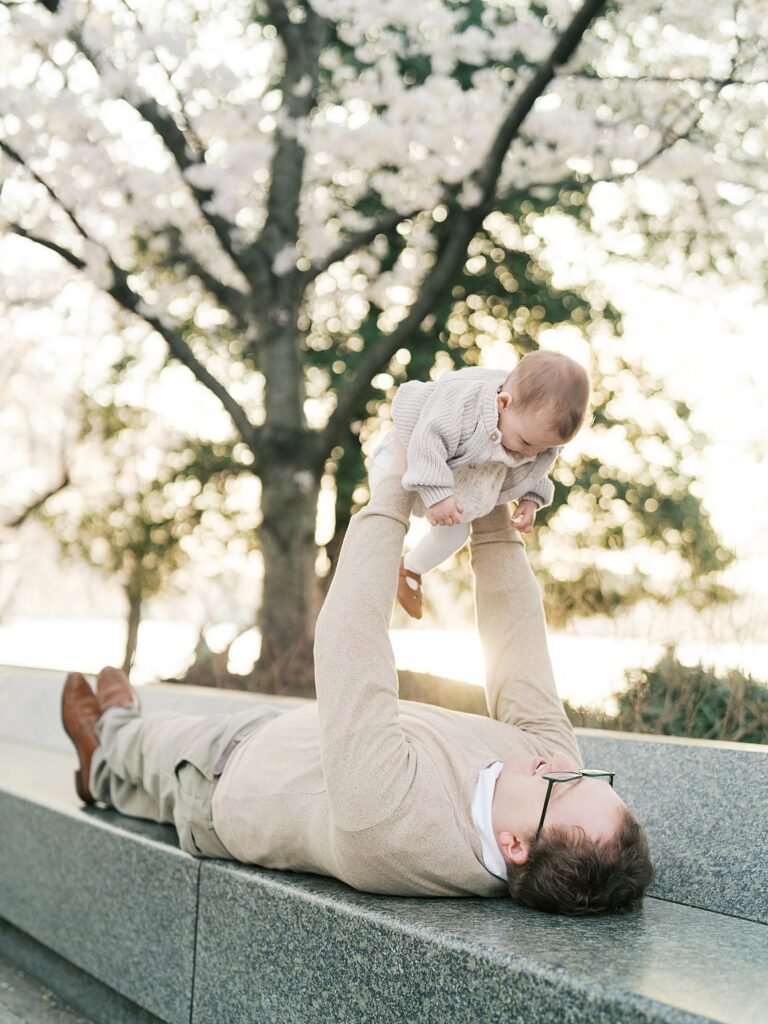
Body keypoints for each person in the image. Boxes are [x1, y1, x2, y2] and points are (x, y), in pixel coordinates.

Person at [61, 455, 653, 914]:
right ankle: (100, 771)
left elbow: (350, 639)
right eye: (588, 775)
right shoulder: (546, 772)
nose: (561, 764)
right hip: (300, 742)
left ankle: (109, 732)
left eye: (565, 787)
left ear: (515, 846)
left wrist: (394, 490)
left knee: (146, 748)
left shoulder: (397, 829)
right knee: (127, 787)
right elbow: (520, 652)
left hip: (230, 777)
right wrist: (495, 500)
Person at [384, 349, 589, 619]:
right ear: (503, 403)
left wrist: (531, 499)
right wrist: (436, 493)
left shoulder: (535, 435)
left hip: (461, 477)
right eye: (527, 443)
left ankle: (410, 569)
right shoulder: (460, 406)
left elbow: (537, 468)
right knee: (387, 506)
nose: (531, 454)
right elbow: (428, 440)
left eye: (544, 448)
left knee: (456, 533)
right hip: (410, 450)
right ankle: (375, 565)